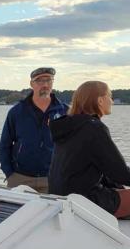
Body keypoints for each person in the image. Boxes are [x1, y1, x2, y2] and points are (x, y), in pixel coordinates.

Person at [49, 81, 130, 218]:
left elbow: (98, 169)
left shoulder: (68, 127)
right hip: (84, 200)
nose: (112, 101)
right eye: (109, 96)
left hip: (61, 198)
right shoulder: (94, 128)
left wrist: (118, 188)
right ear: (100, 100)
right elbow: (120, 173)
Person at [0, 67, 68, 193]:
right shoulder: (17, 112)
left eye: (49, 80)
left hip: (52, 179)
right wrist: (9, 173)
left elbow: (73, 146)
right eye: (40, 81)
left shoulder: (65, 112)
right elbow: (5, 144)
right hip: (20, 178)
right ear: (32, 84)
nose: (45, 85)